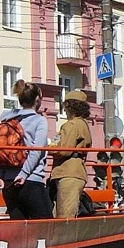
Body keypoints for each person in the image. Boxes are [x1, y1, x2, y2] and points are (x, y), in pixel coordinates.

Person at [0, 80, 53, 220]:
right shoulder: (39, 121)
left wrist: (1, 176)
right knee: (46, 226)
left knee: (19, 231)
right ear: (37, 99)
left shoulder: (8, 120)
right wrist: (23, 174)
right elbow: (36, 150)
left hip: (9, 183)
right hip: (30, 181)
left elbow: (1, 149)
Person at [50, 90, 93, 218]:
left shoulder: (70, 125)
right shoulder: (83, 124)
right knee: (67, 212)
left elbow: (63, 149)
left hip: (68, 172)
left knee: (65, 215)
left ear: (69, 106)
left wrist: (49, 148)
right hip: (76, 171)